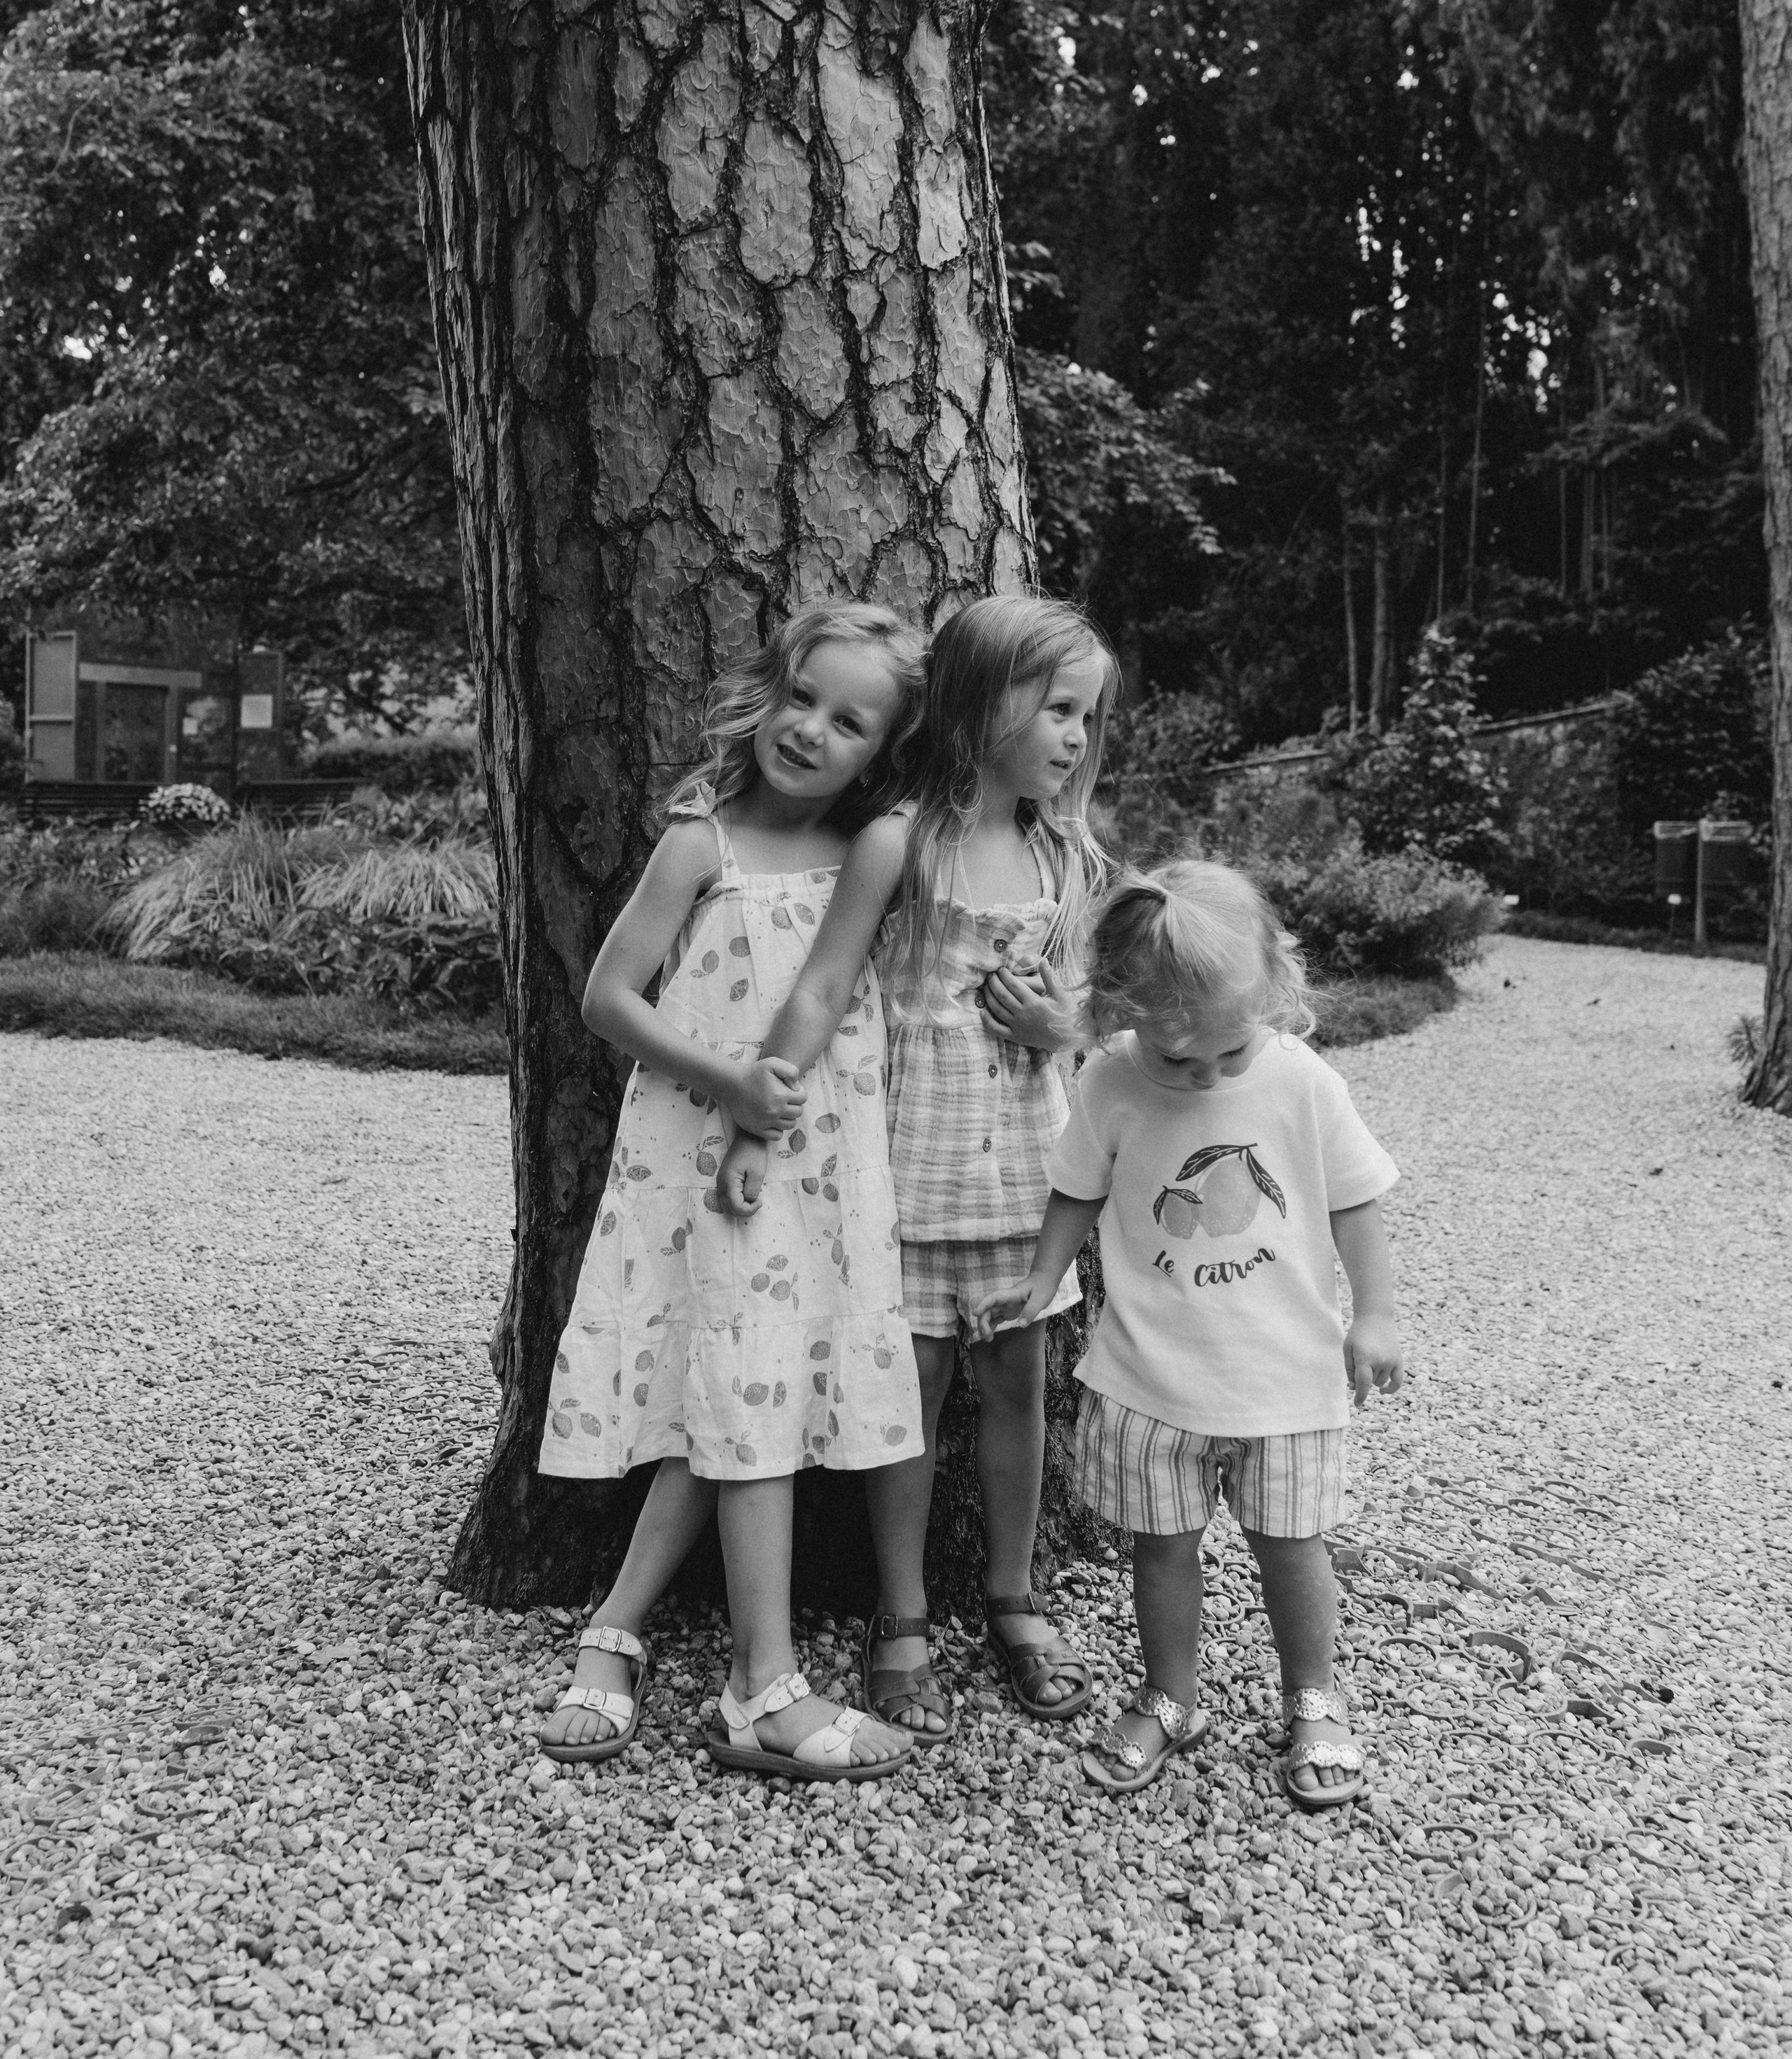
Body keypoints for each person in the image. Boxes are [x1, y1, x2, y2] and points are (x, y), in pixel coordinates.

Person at [536, 602, 927, 1783]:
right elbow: (610, 996)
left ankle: (618, 1629)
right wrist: (729, 1087)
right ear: (769, 690)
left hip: (816, 1165)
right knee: (731, 1386)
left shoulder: (875, 849)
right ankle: (762, 1685)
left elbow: (835, 989)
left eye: (848, 721)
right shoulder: (703, 840)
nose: (810, 730)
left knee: (739, 1390)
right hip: (696, 1156)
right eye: (801, 697)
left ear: (883, 749)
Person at [719, 596, 1119, 1741]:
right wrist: (761, 1114)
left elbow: (1101, 1009)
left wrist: (1063, 1027)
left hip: (1025, 1185)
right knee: (910, 1402)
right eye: (1057, 711)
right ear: (985, 701)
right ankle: (901, 1615)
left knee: (1017, 1393)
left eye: (1086, 720)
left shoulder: (1064, 850)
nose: (1075, 739)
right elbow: (824, 984)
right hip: (904, 1173)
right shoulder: (902, 841)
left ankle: (1012, 1597)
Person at [976, 859, 1403, 1811]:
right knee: (1159, 1548)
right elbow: (1077, 1191)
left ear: (1272, 993)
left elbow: (1358, 1199)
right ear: (1123, 1013)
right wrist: (1043, 1279)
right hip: (1147, 1378)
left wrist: (1373, 1314)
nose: (1204, 1075)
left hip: (1284, 1383)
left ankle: (1315, 1698)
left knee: (1292, 1546)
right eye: (1178, 1061)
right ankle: (1169, 1698)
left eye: (1226, 1053)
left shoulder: (1301, 1082)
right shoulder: (1110, 1083)